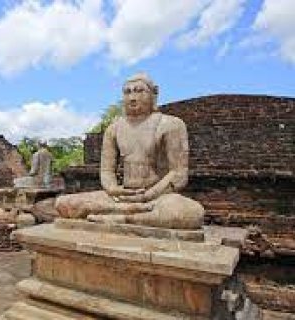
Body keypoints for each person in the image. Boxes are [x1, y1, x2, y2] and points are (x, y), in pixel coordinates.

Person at [55, 73, 204, 229]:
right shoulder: (115, 128)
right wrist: (113, 190)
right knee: (63, 203)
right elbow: (106, 171)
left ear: (154, 93)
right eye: (127, 92)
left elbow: (178, 174)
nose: (132, 97)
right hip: (122, 198)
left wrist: (148, 195)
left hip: (157, 197)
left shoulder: (171, 125)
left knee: (191, 212)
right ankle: (128, 213)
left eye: (139, 91)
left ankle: (124, 218)